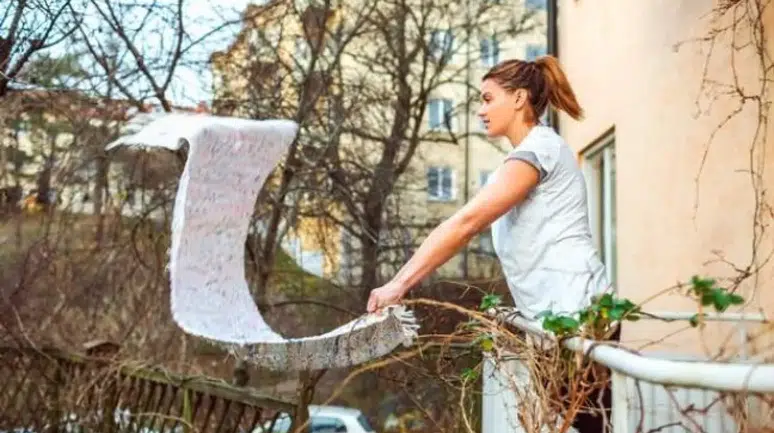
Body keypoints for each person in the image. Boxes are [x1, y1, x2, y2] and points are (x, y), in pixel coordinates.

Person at [365, 55, 617, 433]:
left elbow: (465, 224)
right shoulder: (516, 163)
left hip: (579, 319)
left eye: (487, 98)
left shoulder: (541, 150)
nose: (480, 110)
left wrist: (399, 285)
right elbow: (462, 223)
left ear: (519, 98)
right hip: (554, 327)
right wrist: (393, 285)